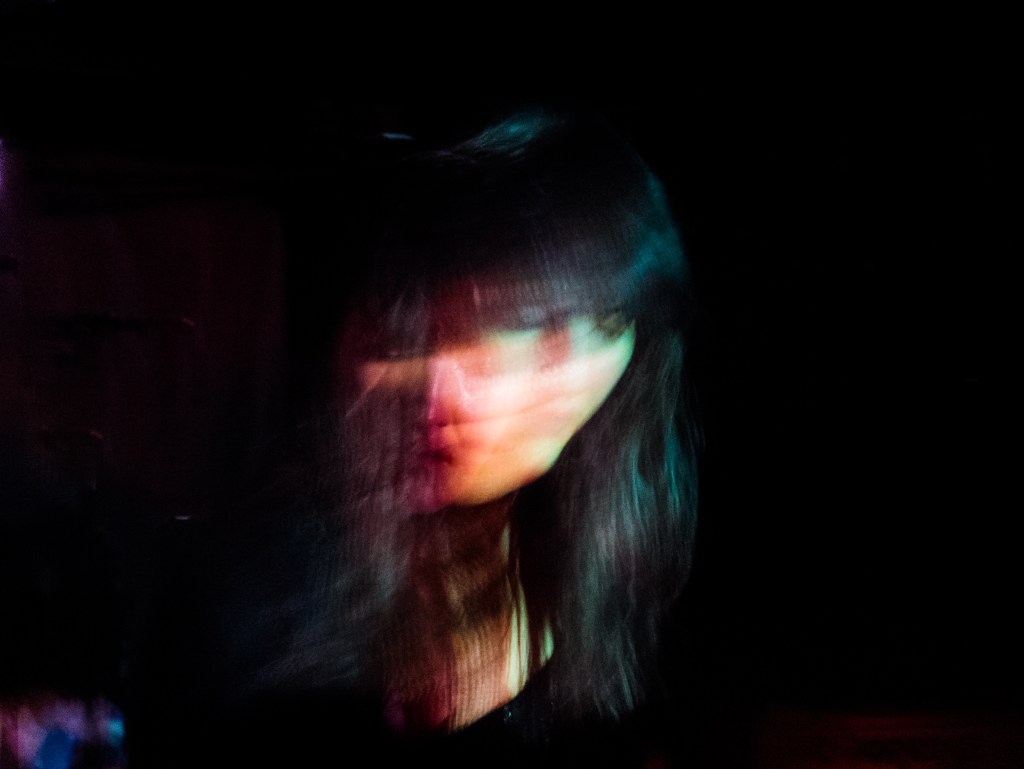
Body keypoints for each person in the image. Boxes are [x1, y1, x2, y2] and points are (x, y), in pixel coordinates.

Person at [126, 105, 699, 768]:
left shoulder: (631, 568)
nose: (445, 393)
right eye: (417, 333)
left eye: (530, 325)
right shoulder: (248, 607)